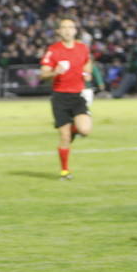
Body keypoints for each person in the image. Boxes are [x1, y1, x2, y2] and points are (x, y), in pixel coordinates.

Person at [38, 17, 93, 181]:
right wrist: (55, 72)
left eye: (71, 27)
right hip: (60, 97)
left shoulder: (83, 48)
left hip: (78, 95)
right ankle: (65, 171)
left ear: (75, 30)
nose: (68, 30)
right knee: (64, 137)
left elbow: (87, 63)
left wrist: (87, 73)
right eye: (64, 28)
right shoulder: (53, 50)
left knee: (85, 130)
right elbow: (43, 74)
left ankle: (74, 129)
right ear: (58, 31)